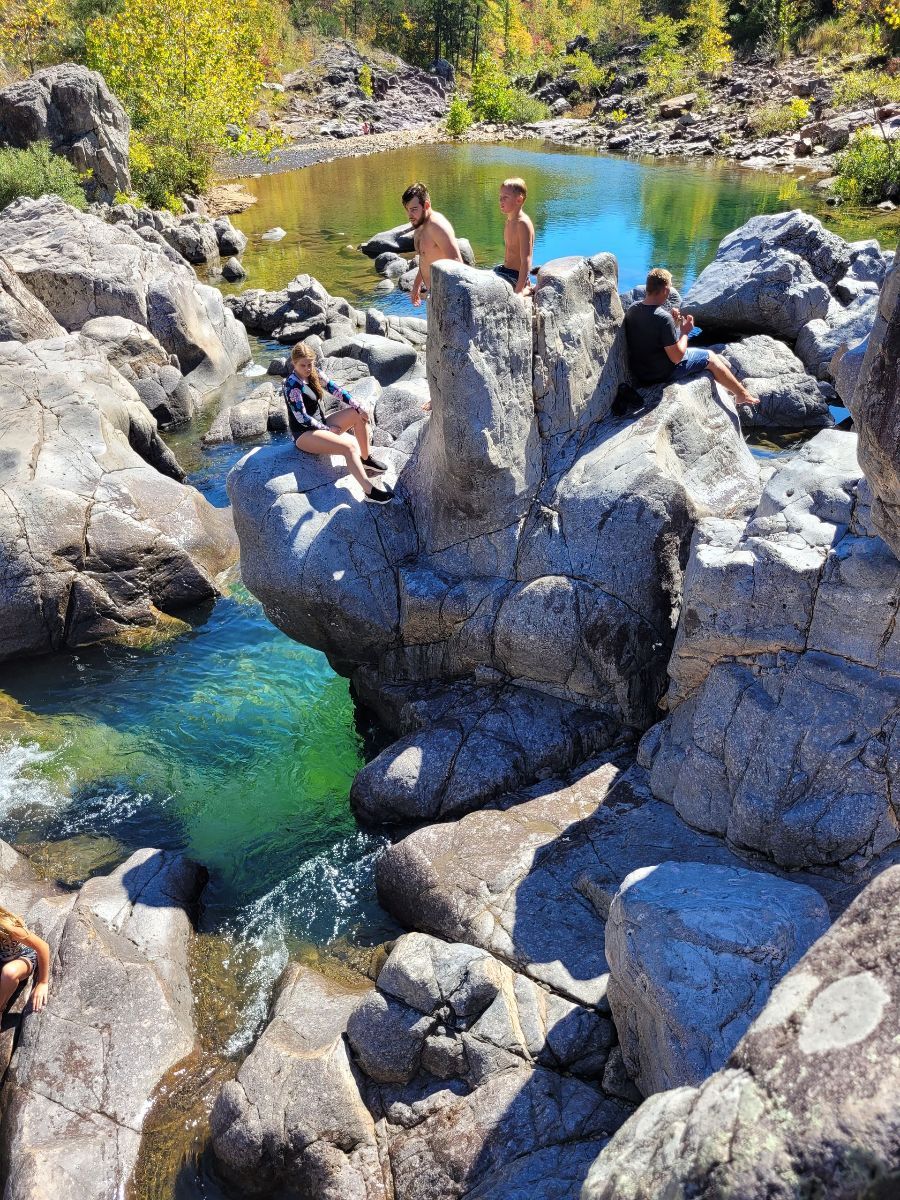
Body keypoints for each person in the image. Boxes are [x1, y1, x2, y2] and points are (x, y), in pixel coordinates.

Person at [623, 267, 759, 406]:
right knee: (711, 357)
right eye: (669, 287)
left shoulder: (633, 308)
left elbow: (650, 330)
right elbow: (676, 358)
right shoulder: (663, 319)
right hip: (660, 374)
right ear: (665, 290)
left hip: (641, 373)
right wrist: (685, 332)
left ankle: (737, 391)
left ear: (648, 287)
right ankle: (742, 395)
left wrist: (672, 321)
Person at [283, 342, 393, 504]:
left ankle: (365, 458)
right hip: (304, 434)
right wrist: (327, 429)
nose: (307, 369)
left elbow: (336, 390)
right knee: (348, 448)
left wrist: (358, 406)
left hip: (321, 424)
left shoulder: (314, 374)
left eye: (310, 364)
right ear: (294, 364)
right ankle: (369, 491)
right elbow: (302, 417)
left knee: (357, 415)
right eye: (302, 365)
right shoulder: (291, 385)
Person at [401, 182, 463, 307]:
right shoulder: (420, 226)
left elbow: (458, 264)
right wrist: (416, 286)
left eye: (413, 209)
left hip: (447, 298)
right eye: (407, 210)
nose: (409, 215)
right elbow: (425, 259)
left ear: (426, 205)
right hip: (434, 294)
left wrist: (454, 302)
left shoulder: (437, 226)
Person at [0, 906, 50, 1014]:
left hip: (21, 957)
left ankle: (1, 1007)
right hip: (3, 958)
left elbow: (43, 947)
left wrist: (42, 982)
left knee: (9, 973)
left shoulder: (8, 928)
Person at [494, 177, 534, 295]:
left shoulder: (522, 224)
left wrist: (518, 290)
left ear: (519, 200)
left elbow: (526, 260)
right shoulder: (509, 221)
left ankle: (526, 288)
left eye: (505, 197)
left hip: (515, 276)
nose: (501, 201)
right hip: (505, 270)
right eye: (500, 197)